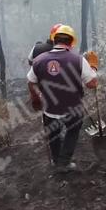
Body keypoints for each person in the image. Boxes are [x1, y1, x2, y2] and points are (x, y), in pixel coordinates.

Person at [27, 25, 98, 172]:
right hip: (73, 109)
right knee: (72, 132)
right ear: (71, 42)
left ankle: (56, 160)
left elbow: (30, 81)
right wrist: (93, 67)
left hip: (49, 109)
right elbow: (92, 84)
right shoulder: (78, 60)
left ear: (54, 40)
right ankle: (64, 162)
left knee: (53, 134)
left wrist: (36, 98)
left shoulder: (39, 60)